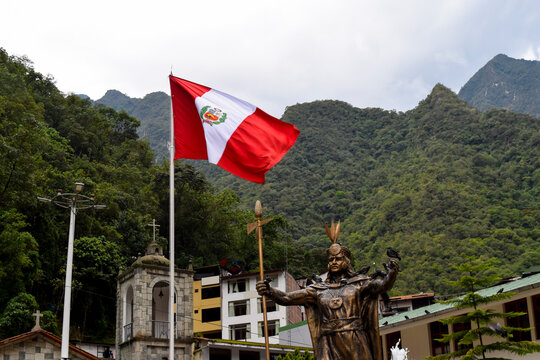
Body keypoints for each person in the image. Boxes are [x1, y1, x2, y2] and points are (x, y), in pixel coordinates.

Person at [256, 221, 399, 360]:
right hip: (328, 341)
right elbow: (286, 298)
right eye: (331, 260)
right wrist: (269, 291)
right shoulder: (318, 290)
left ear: (346, 262)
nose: (334, 262)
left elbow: (383, 286)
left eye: (338, 259)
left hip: (354, 338)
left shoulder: (359, 284)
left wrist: (392, 273)